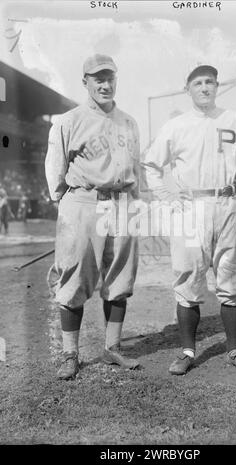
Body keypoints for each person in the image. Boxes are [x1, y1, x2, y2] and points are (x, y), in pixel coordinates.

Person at [142, 65, 236, 376]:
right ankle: (188, 351)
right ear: (186, 89)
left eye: (210, 83)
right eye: (198, 83)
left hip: (228, 203)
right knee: (188, 279)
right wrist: (167, 196)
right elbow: (151, 164)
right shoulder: (176, 126)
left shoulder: (234, 120)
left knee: (231, 280)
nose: (204, 88)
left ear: (217, 87)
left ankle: (234, 350)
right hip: (192, 207)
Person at [45, 54, 140, 380]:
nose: (105, 84)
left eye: (109, 77)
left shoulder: (129, 121)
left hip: (123, 203)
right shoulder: (69, 120)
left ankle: (113, 347)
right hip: (84, 201)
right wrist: (69, 207)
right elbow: (54, 171)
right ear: (85, 81)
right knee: (74, 279)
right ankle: (71, 354)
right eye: (97, 78)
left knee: (120, 279)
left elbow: (136, 169)